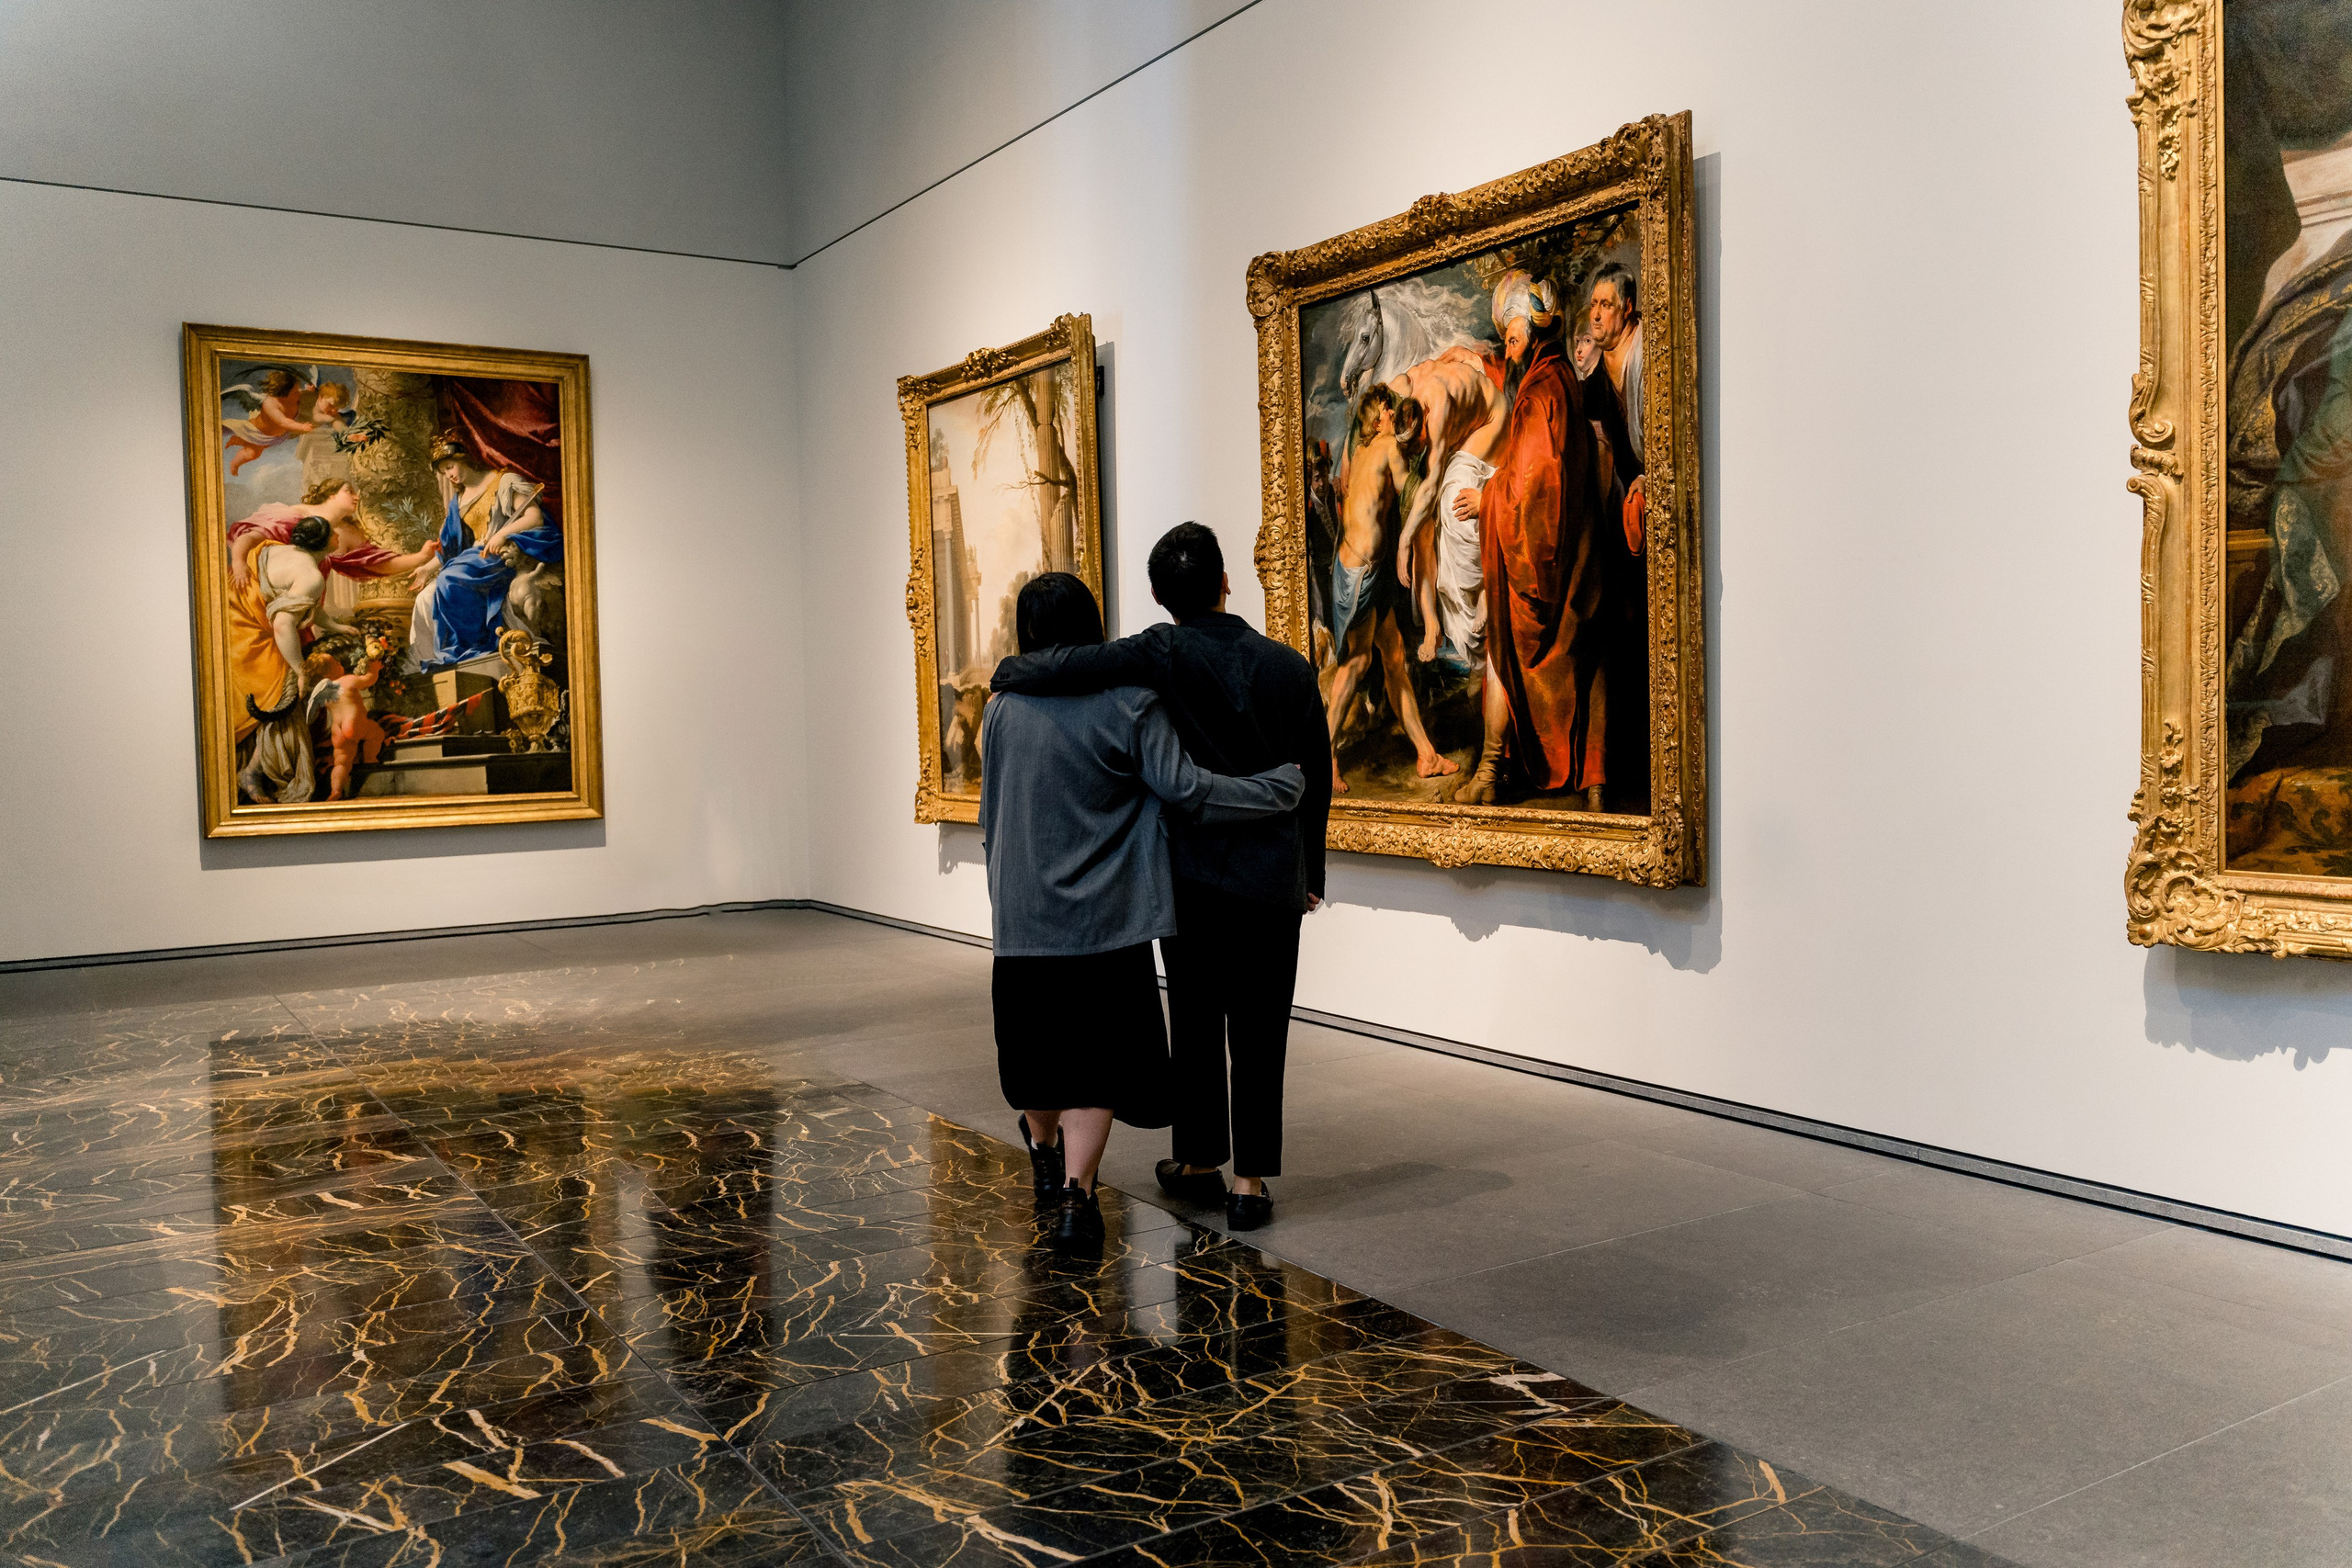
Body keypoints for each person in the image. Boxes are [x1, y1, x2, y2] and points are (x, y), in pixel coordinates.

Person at [989, 524, 1332, 1231]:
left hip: (1191, 880)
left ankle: (1200, 1161)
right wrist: (1310, 871)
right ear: (1228, 578)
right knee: (1263, 1032)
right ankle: (1249, 1182)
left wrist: (1010, 671)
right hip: (1271, 881)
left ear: (1155, 595)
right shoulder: (1291, 667)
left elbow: (1070, 665)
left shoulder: (1159, 653)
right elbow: (1317, 781)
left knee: (1198, 1024)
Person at [1450, 270, 1615, 811]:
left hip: (1552, 555)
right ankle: (1595, 784)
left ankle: (1490, 772)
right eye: (1500, 330)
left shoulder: (1542, 387)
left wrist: (1488, 498)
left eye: (1511, 324)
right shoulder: (1559, 376)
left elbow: (1536, 482)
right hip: (1580, 550)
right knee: (1588, 660)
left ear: (1533, 316)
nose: (1505, 336)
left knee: (1502, 644)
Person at [1328, 387, 1452, 789]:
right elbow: (1410, 494)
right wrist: (1435, 460)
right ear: (1381, 413)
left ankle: (1426, 754)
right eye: (1390, 406)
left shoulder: (1364, 449)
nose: (1395, 410)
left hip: (1369, 569)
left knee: (1394, 657)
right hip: (1360, 572)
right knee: (1359, 662)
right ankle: (1323, 755)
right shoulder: (1384, 446)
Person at [407, 431, 563, 670]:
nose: (450, 474)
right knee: (426, 596)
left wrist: (502, 534)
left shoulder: (503, 481)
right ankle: (455, 652)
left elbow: (534, 518)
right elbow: (449, 548)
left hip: (506, 553)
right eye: (444, 471)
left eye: (451, 466)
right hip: (475, 559)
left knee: (450, 579)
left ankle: (471, 647)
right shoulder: (457, 503)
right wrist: (426, 568)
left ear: (464, 458)